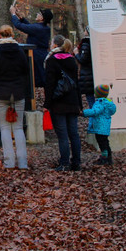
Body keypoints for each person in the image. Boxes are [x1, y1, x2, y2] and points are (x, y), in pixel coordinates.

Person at [0, 24, 31, 170]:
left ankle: (9, 162)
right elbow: (26, 70)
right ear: (12, 35)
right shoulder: (19, 51)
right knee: (18, 128)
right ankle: (22, 162)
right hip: (17, 92)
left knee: (4, 128)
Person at [44, 35, 82, 172]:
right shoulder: (72, 60)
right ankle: (76, 162)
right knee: (74, 134)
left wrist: (47, 104)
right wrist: (80, 104)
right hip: (72, 100)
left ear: (55, 45)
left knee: (62, 135)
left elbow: (49, 84)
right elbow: (76, 83)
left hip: (58, 102)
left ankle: (65, 163)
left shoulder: (51, 60)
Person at [10, 3, 53, 89]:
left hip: (36, 56)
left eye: (39, 14)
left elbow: (19, 26)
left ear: (42, 18)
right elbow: (30, 27)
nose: (37, 14)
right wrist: (21, 18)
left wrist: (13, 14)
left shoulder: (38, 28)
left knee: (34, 79)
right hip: (41, 54)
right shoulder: (44, 28)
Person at [83, 84, 117, 165]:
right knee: (105, 142)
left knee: (102, 143)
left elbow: (95, 111)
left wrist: (83, 113)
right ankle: (109, 157)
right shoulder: (108, 103)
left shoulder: (100, 103)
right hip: (105, 127)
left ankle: (104, 158)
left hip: (99, 127)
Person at [76, 31, 96, 109]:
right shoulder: (94, 42)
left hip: (87, 75)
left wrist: (76, 54)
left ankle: (94, 115)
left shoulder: (86, 43)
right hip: (92, 73)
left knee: (90, 99)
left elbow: (83, 60)